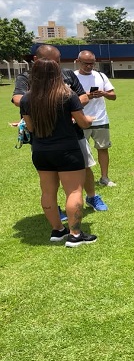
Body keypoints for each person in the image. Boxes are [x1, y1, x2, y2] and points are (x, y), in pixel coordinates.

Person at [12, 45, 108, 214]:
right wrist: (50, 102)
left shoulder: (67, 74)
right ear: (36, 60)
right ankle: (55, 209)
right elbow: (18, 99)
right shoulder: (26, 77)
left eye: (57, 62)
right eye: (50, 61)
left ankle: (92, 197)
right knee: (50, 175)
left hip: (72, 132)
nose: (54, 66)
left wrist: (67, 105)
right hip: (43, 133)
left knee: (85, 165)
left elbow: (82, 96)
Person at [19, 58, 97, 247]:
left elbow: (30, 127)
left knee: (47, 192)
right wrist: (89, 120)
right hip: (67, 150)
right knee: (74, 191)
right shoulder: (67, 95)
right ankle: (75, 234)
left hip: (40, 151)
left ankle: (57, 230)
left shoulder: (26, 99)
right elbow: (83, 123)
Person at [74, 50, 117, 187]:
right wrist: (86, 96)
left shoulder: (100, 76)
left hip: (100, 119)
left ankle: (104, 177)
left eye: (92, 63)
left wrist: (103, 93)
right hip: (80, 119)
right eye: (85, 63)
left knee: (103, 148)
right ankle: (81, 180)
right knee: (80, 151)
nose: (89, 66)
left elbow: (113, 96)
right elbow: (67, 99)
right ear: (78, 61)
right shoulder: (72, 77)